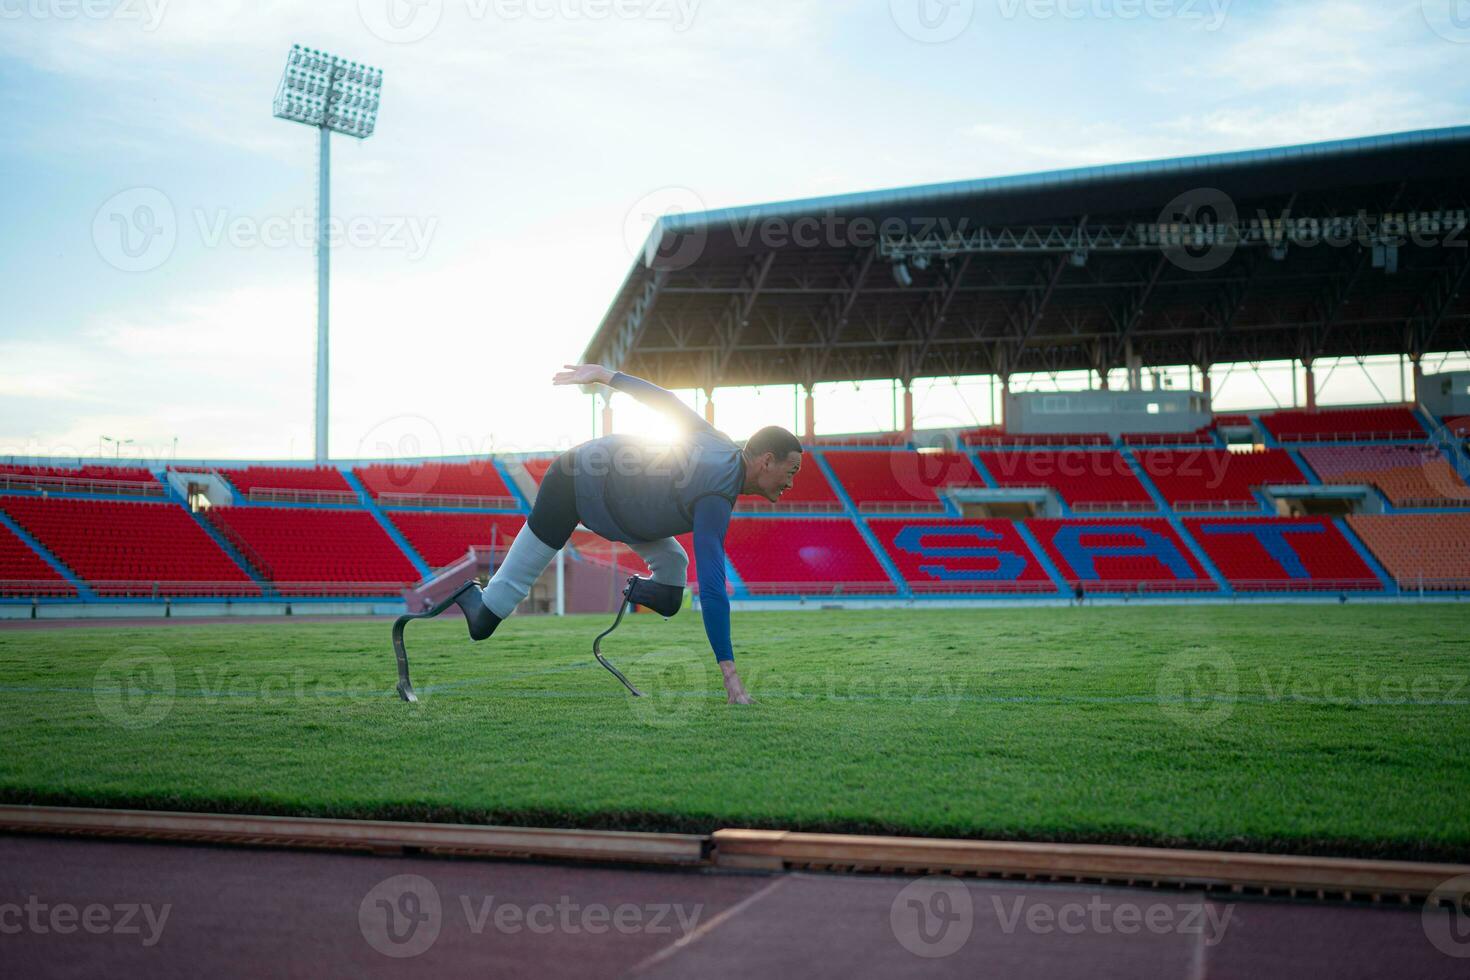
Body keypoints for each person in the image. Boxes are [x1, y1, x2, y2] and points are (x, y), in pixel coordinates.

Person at [455, 363, 804, 705]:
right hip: (572, 482)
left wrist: (606, 376)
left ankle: (633, 588)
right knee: (484, 622)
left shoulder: (720, 444)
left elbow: (667, 401)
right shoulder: (716, 494)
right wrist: (731, 677)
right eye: (791, 471)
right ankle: (469, 594)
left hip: (621, 509)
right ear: (767, 461)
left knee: (672, 578)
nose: (791, 482)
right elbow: (713, 588)